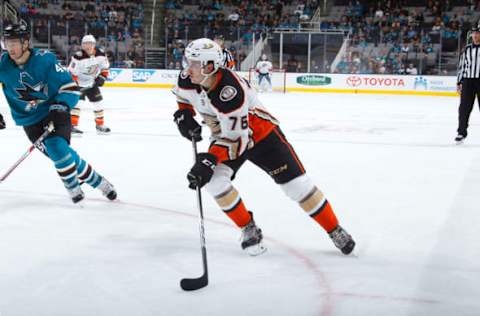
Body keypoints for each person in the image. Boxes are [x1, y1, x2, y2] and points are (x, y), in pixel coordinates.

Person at [172, 38, 355, 256]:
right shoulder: (187, 78)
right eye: (188, 61)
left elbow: (237, 141)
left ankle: (334, 229)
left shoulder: (230, 92)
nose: (187, 68)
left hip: (262, 137)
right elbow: (183, 96)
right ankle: (247, 226)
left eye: (193, 63)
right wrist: (184, 113)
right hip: (226, 136)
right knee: (214, 181)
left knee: (297, 187)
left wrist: (209, 159)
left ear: (209, 66)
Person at [0, 24, 116, 204]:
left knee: (56, 147)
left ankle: (72, 187)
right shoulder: (2, 64)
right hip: (29, 122)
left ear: (25, 43)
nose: (10, 48)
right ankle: (100, 182)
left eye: (14, 42)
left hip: (54, 112)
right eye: (7, 42)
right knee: (64, 156)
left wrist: (61, 105)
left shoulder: (44, 60)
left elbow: (70, 86)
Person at [67, 34, 111, 135]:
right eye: (85, 44)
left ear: (94, 44)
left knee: (98, 103)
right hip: (78, 83)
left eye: (90, 43)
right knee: (77, 104)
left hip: (91, 82)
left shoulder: (101, 54)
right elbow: (72, 73)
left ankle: (100, 125)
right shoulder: (77, 57)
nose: (88, 46)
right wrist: (75, 85)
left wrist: (102, 77)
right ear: (82, 45)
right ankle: (72, 126)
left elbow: (105, 67)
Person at [455, 23, 480, 144]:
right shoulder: (467, 49)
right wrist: (459, 81)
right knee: (464, 108)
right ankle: (461, 132)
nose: (475, 35)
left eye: (478, 33)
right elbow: (462, 66)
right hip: (468, 81)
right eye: (474, 33)